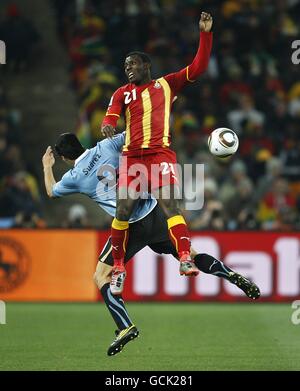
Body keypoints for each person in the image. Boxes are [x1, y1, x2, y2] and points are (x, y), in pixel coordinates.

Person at [42, 133, 260, 356]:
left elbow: (51, 191)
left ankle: (125, 326)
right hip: (154, 211)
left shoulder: (75, 176)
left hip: (129, 226)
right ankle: (231, 275)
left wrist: (46, 166)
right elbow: (137, 133)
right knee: (191, 255)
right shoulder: (106, 146)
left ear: (64, 158)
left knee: (101, 276)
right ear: (81, 144)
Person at [100, 12, 214, 294]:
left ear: (146, 65)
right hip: (132, 159)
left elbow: (197, 68)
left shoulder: (166, 84)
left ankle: (185, 258)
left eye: (133, 63)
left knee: (170, 206)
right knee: (123, 210)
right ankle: (118, 268)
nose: (128, 68)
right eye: (125, 65)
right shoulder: (122, 93)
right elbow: (111, 116)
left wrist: (205, 34)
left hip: (160, 155)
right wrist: (107, 125)